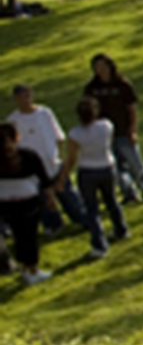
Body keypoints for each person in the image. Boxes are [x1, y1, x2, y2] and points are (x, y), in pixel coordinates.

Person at [8, 84, 89, 237]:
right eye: (20, 97)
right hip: (32, 168)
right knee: (43, 199)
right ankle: (53, 225)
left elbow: (58, 135)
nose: (25, 100)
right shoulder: (13, 121)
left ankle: (82, 219)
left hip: (53, 162)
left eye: (27, 95)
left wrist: (60, 155)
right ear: (16, 99)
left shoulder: (45, 113)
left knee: (66, 193)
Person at [84, 53, 143, 202]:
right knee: (116, 168)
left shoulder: (122, 85)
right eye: (97, 67)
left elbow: (132, 109)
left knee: (135, 164)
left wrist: (132, 130)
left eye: (103, 66)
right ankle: (128, 193)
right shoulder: (92, 88)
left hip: (123, 132)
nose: (101, 70)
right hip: (104, 135)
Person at [62, 96, 129, 259]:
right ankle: (121, 229)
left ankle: (99, 245)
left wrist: (62, 176)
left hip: (87, 170)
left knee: (92, 209)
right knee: (111, 201)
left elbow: (71, 158)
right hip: (107, 167)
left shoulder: (75, 133)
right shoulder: (106, 126)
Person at [0, 123, 56, 284]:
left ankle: (23, 267)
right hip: (28, 202)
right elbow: (45, 181)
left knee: (18, 236)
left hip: (5, 204)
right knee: (30, 237)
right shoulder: (28, 156)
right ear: (16, 137)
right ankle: (32, 270)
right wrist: (51, 200)